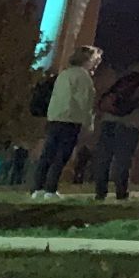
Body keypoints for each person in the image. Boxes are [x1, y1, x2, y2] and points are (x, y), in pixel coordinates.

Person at [31, 45, 101, 199]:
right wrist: (89, 123)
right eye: (95, 59)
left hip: (55, 117)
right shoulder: (83, 77)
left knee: (47, 154)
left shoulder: (64, 74)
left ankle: (37, 188)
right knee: (61, 155)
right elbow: (85, 103)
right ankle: (51, 188)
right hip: (70, 120)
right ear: (88, 60)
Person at [94, 60, 139, 201]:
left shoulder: (126, 76)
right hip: (130, 123)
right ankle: (121, 193)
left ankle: (100, 192)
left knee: (104, 157)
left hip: (109, 120)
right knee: (123, 160)